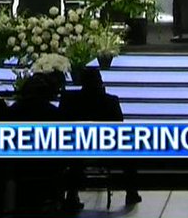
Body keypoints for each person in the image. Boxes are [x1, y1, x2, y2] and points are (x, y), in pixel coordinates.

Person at [60, 69, 141, 208]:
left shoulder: (70, 100)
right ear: (100, 81)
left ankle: (71, 195)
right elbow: (118, 125)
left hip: (76, 147)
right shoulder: (110, 101)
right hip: (105, 148)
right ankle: (131, 191)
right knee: (129, 149)